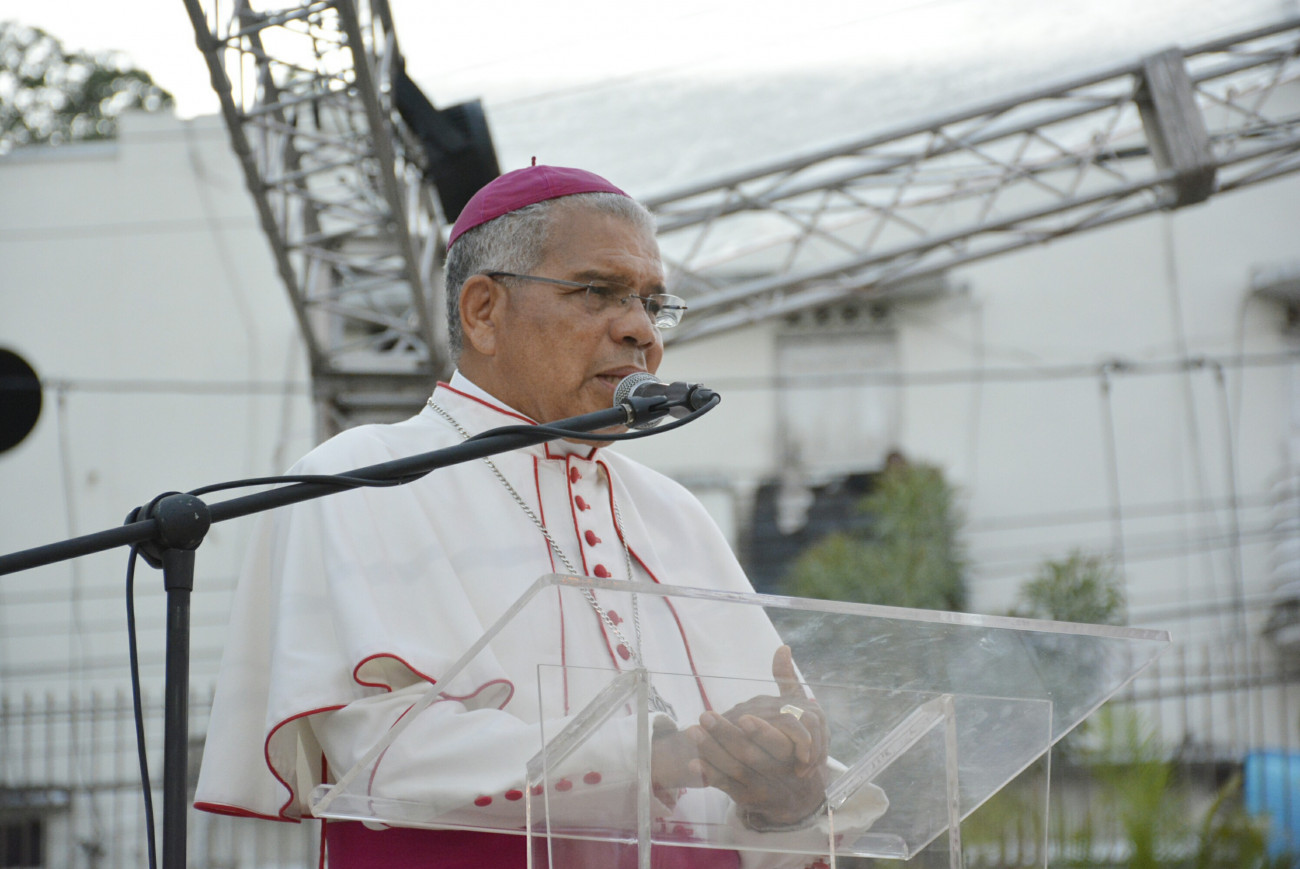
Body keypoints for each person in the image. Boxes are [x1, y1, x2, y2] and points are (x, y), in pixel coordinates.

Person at [194, 164, 883, 868]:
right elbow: (387, 757)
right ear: (483, 311)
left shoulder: (674, 514)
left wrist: (785, 797)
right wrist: (653, 754)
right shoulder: (363, 477)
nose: (641, 331)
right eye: (598, 292)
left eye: (653, 304)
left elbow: (744, 794)